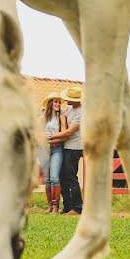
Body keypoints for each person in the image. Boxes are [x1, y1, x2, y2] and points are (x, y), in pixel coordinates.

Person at [48, 86, 83, 215]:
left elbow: (68, 132)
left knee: (71, 177)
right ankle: (67, 205)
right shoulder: (69, 108)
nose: (65, 101)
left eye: (68, 99)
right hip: (66, 146)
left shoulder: (80, 113)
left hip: (74, 147)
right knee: (62, 176)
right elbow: (60, 117)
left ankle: (77, 207)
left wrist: (50, 137)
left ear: (75, 100)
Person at [37, 92, 66, 213]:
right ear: (50, 103)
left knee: (54, 177)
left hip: (56, 149)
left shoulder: (61, 117)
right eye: (55, 101)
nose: (58, 104)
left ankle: (56, 206)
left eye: (59, 102)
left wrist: (51, 137)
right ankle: (50, 205)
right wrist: (43, 136)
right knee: (47, 179)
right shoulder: (42, 118)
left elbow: (64, 134)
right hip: (43, 149)